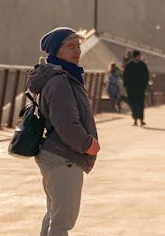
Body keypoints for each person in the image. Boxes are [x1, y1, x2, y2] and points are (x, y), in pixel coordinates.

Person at [27, 27, 100, 236]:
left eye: (78, 45)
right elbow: (66, 124)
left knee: (54, 216)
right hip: (64, 157)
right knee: (62, 221)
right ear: (56, 51)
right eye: (70, 46)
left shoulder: (61, 76)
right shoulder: (60, 81)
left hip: (55, 154)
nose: (77, 51)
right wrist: (88, 144)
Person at [123, 49, 150, 127]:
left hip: (140, 89)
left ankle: (141, 120)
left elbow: (146, 76)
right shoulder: (129, 66)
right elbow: (125, 77)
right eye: (139, 56)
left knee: (140, 104)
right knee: (133, 104)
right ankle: (135, 119)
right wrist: (126, 86)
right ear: (136, 56)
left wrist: (145, 86)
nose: (140, 57)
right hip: (131, 89)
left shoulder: (142, 65)